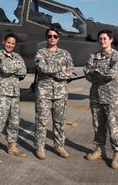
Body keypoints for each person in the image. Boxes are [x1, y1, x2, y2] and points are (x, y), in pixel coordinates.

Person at [83, 29, 118, 170]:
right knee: (98, 125)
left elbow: (112, 74)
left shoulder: (117, 56)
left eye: (105, 38)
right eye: (100, 39)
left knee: (114, 127)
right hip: (96, 96)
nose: (102, 41)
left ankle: (117, 153)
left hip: (112, 98)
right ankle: (99, 149)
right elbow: (87, 72)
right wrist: (98, 74)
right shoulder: (94, 56)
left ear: (111, 40)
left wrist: (96, 73)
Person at [34, 27, 74, 160]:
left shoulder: (65, 53)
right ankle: (40, 146)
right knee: (41, 121)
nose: (52, 38)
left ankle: (59, 145)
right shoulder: (41, 52)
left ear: (58, 38)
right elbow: (41, 67)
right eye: (50, 36)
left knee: (59, 121)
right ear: (46, 38)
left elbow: (70, 71)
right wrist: (59, 68)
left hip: (60, 93)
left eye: (55, 36)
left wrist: (58, 72)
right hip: (43, 93)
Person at [0, 33, 27, 164]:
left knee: (14, 122)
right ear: (4, 42)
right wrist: (16, 67)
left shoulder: (17, 56)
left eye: (13, 43)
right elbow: (4, 69)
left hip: (15, 94)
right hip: (2, 93)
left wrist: (13, 68)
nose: (10, 45)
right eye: (8, 42)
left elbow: (24, 71)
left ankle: (12, 146)